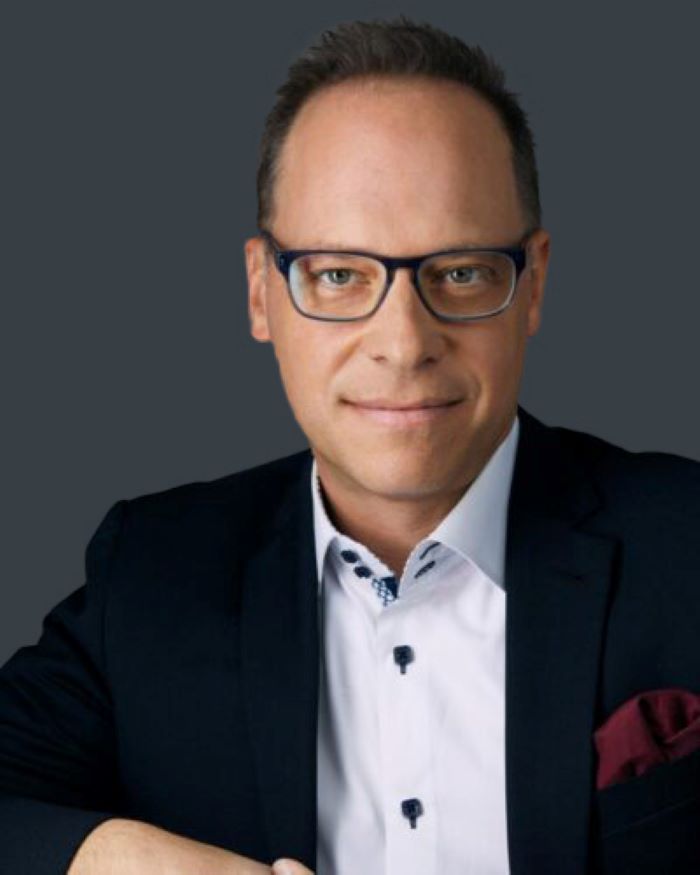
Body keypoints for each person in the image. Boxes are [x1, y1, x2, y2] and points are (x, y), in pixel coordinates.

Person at [1, 14, 699, 875]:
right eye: (338, 274)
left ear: (533, 284)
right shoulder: (148, 576)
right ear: (261, 292)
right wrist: (110, 856)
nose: (403, 343)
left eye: (462, 272)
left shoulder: (688, 545)